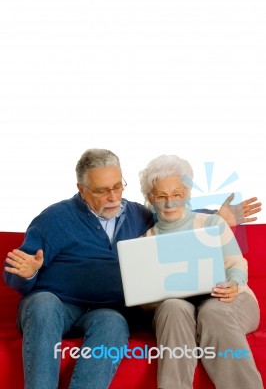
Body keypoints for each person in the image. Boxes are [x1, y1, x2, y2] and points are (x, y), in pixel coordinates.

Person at [3, 149, 262, 389]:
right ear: (81, 189)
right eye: (102, 191)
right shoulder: (55, 218)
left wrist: (219, 216)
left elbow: (176, 215)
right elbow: (17, 267)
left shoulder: (137, 215)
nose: (114, 197)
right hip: (58, 305)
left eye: (118, 186)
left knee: (114, 321)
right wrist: (27, 273)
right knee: (44, 303)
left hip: (105, 310)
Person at [139, 154, 263, 389]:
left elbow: (236, 264)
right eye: (162, 197)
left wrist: (234, 284)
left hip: (229, 299)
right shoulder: (147, 241)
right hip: (181, 309)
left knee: (212, 313)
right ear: (150, 199)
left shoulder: (212, 224)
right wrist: (153, 299)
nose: (170, 203)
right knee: (172, 307)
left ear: (186, 194)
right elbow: (146, 299)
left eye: (177, 195)